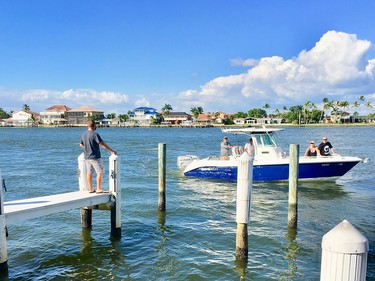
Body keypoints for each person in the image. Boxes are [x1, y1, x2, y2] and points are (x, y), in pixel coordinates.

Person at [80, 120, 117, 193]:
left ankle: (91, 189)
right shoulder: (95, 134)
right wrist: (111, 150)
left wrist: (88, 147)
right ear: (94, 126)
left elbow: (81, 145)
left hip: (87, 157)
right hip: (95, 157)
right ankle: (98, 188)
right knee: (100, 172)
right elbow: (102, 144)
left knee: (89, 172)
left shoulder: (83, 134)